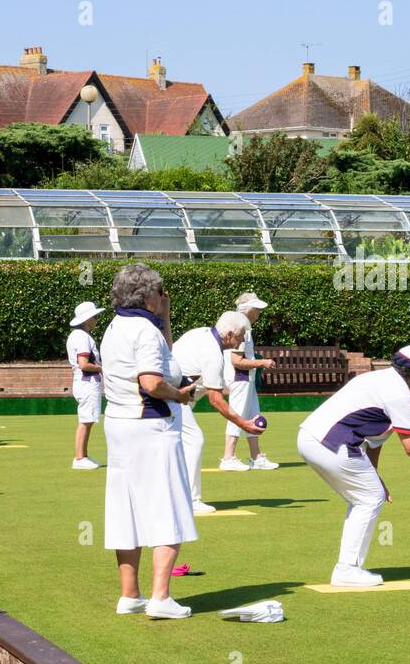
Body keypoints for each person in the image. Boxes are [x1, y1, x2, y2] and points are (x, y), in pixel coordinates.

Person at [297, 344, 410, 587]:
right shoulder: (399, 395)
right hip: (330, 443)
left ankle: (349, 568)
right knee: (369, 498)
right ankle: (347, 570)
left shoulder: (379, 380)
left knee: (367, 495)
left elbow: (374, 440)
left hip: (309, 438)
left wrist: (373, 476)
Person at [100, 263, 199, 619]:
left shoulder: (116, 326)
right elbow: (152, 381)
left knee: (126, 506)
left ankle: (130, 595)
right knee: (167, 505)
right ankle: (160, 598)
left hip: (120, 424)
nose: (163, 297)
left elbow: (164, 358)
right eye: (160, 292)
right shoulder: (143, 330)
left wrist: (166, 317)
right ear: (148, 295)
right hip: (150, 426)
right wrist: (181, 395)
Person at [171, 311, 266, 514]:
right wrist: (244, 424)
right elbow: (216, 400)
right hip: (171, 398)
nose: (241, 342)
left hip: (171, 395)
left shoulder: (201, 334)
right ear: (230, 334)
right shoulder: (213, 353)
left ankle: (173, 496)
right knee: (194, 440)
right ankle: (190, 501)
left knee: (174, 446)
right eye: (240, 337)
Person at [219, 292, 279, 472]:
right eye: (256, 309)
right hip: (240, 378)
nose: (259, 312)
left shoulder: (245, 328)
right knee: (236, 416)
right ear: (247, 310)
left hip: (247, 379)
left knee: (253, 415)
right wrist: (263, 362)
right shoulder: (240, 329)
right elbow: (236, 361)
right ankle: (228, 457)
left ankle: (256, 457)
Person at [67, 301, 104, 469]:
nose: (97, 319)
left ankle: (83, 456)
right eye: (94, 316)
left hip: (85, 382)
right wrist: (103, 368)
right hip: (87, 382)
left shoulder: (80, 336)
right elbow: (84, 364)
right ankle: (80, 458)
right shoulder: (82, 337)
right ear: (86, 319)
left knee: (87, 419)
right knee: (86, 419)